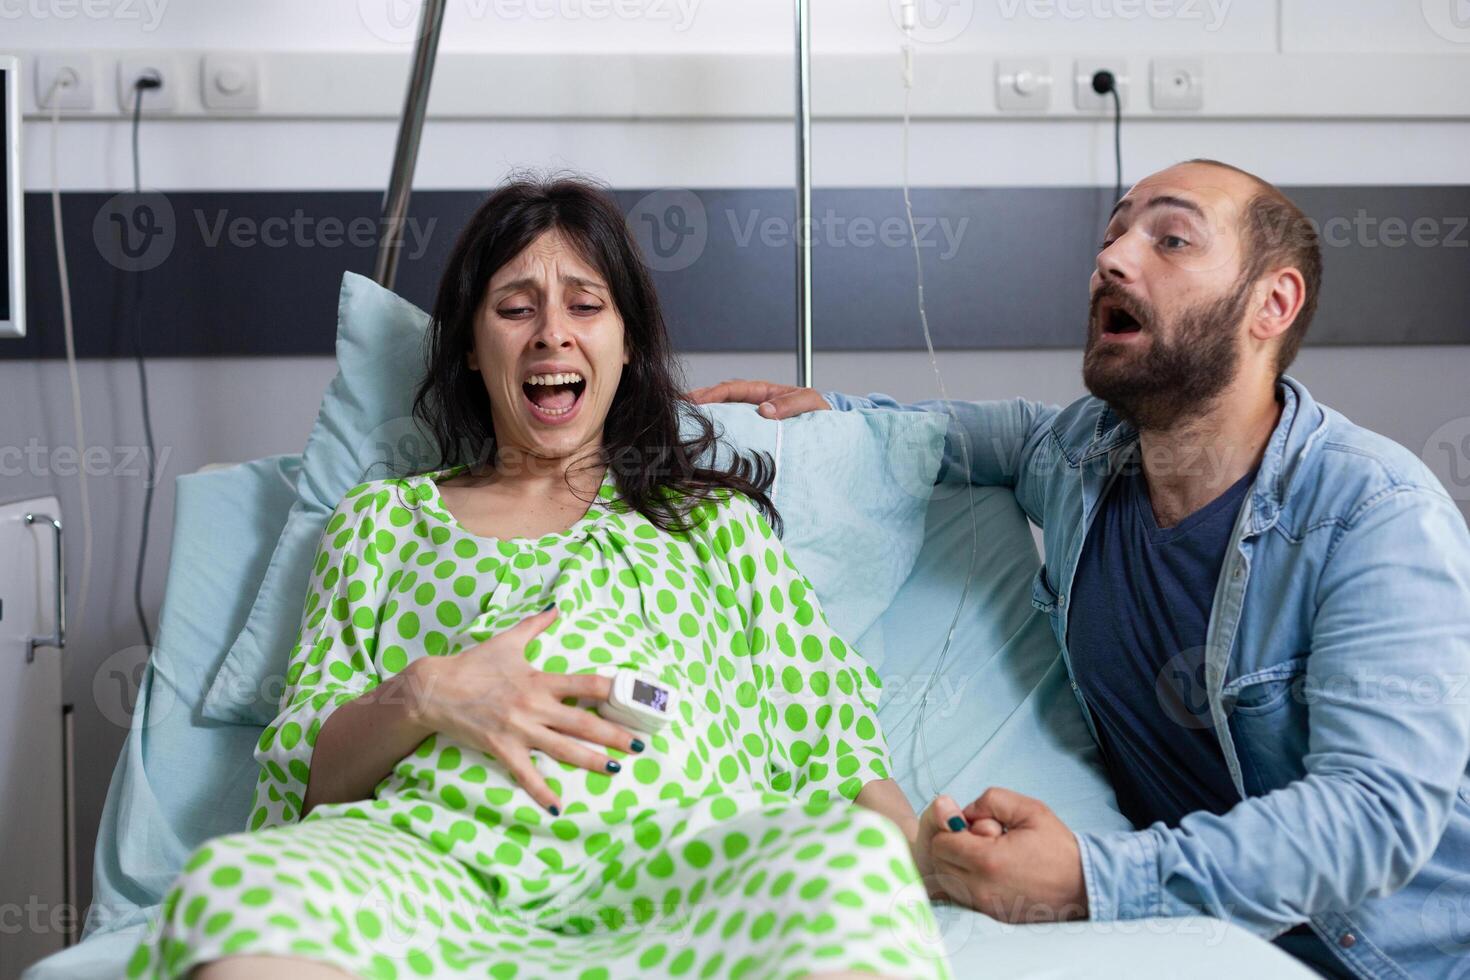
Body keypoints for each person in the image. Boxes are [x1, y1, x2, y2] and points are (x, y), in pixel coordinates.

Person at [124, 176, 949, 980]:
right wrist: (427, 691)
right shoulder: (381, 524)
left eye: (585, 305)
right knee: (240, 891)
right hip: (432, 863)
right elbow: (305, 777)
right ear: (474, 353)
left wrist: (918, 856)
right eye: (516, 308)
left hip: (684, 865)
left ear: (626, 346)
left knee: (851, 873)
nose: (552, 333)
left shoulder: (714, 527)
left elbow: (835, 749)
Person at [692, 158, 1470, 980]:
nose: (1113, 258)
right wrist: (828, 416)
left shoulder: (1373, 514)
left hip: (1395, 960)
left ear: (1270, 305)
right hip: (1193, 947)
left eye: (1170, 239)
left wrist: (1089, 880)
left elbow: (1376, 818)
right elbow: (968, 435)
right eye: (1112, 234)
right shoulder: (1081, 457)